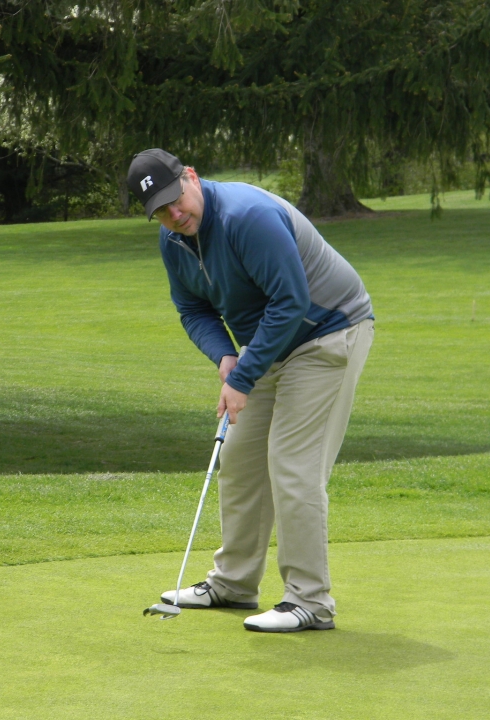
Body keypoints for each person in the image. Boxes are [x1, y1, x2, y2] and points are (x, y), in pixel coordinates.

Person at [128, 148, 374, 633]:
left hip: (327, 332)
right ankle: (234, 583)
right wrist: (225, 356)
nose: (175, 214)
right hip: (268, 344)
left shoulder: (247, 216)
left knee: (292, 464)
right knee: (239, 458)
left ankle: (310, 601)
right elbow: (192, 309)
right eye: (161, 210)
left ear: (191, 177)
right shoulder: (173, 240)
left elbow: (290, 300)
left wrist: (242, 379)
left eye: (177, 199)